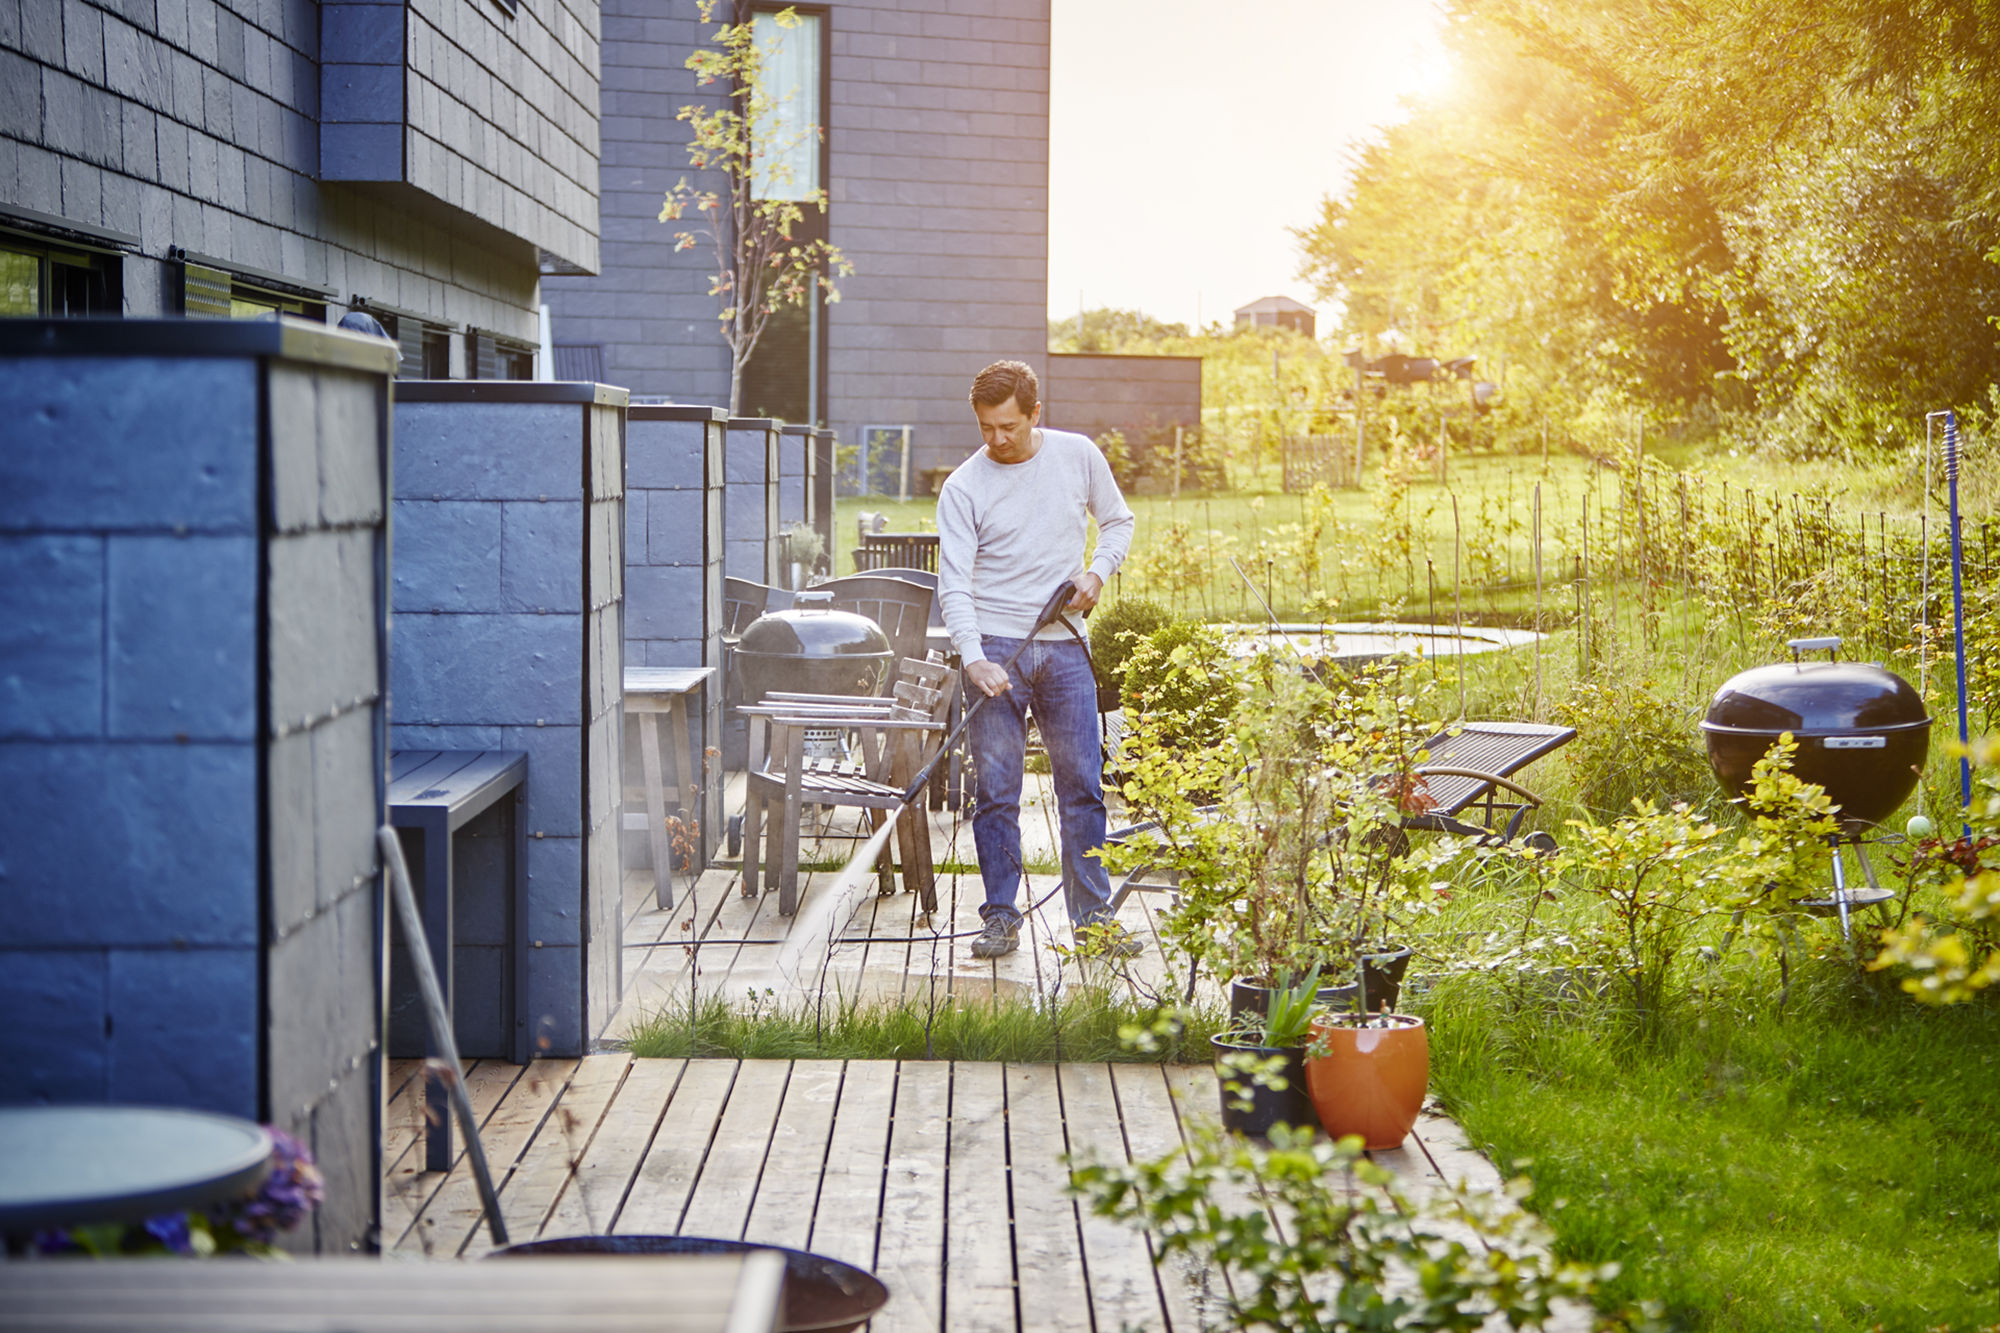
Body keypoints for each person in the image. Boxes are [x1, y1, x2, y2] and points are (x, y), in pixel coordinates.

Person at [937, 360, 1139, 959]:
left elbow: (1119, 523)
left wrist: (1097, 573)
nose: (996, 440)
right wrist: (973, 658)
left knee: (1082, 787)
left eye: (1007, 427)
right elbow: (954, 584)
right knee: (997, 791)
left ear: (1034, 414)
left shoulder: (1078, 457)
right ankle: (1000, 915)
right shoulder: (964, 486)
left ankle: (1093, 920)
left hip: (1067, 647)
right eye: (985, 428)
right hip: (997, 651)